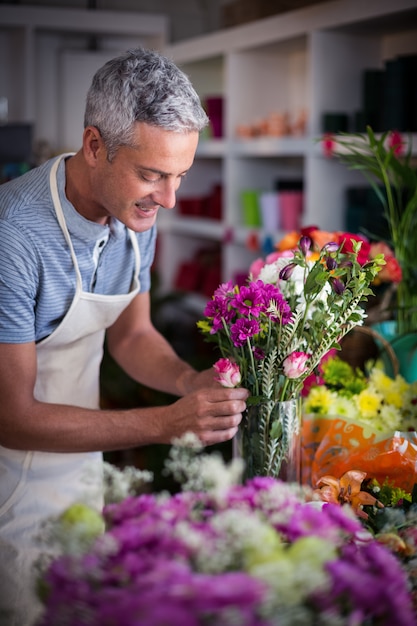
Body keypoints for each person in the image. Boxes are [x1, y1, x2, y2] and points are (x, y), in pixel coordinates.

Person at [0, 47, 248, 626]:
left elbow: (132, 336)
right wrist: (166, 423)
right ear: (94, 146)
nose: (170, 199)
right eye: (153, 175)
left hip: (78, 466)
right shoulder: (13, 238)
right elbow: (10, 415)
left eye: (180, 175)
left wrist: (190, 380)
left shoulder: (134, 217)